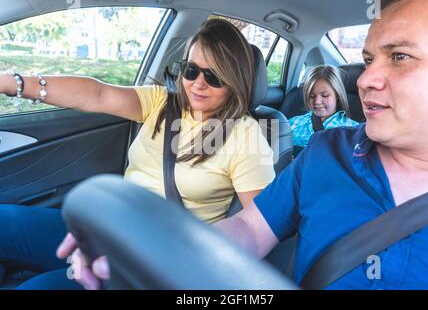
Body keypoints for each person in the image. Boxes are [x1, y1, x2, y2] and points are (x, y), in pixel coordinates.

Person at [61, 0, 428, 290]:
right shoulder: (326, 153)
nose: (365, 80)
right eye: (367, 61)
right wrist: (146, 248)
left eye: (399, 56)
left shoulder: (248, 135)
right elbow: (250, 229)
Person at [0, 19, 275, 289]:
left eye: (213, 77)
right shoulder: (163, 102)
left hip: (157, 256)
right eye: (191, 71)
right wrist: (14, 84)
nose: (198, 84)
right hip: (110, 225)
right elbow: (98, 94)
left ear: (234, 80)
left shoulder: (247, 136)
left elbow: (257, 226)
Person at [289, 65, 358, 150]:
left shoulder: (352, 129)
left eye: (325, 96)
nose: (317, 102)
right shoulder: (293, 123)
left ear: (337, 95)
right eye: (312, 96)